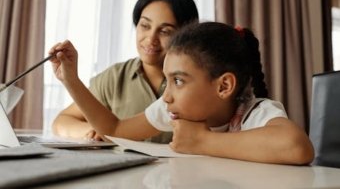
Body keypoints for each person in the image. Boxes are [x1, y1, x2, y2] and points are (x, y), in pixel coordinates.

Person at [49, 22, 314, 164]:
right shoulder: (172, 109)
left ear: (224, 86)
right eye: (167, 80)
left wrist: (202, 142)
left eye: (178, 81)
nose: (166, 95)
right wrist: (70, 80)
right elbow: (115, 128)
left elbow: (296, 147)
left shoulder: (256, 113)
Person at [51, 0, 199, 143]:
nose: (151, 39)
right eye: (145, 26)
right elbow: (62, 122)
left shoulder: (196, 83)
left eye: (165, 31)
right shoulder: (114, 78)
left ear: (185, 35)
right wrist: (92, 130)